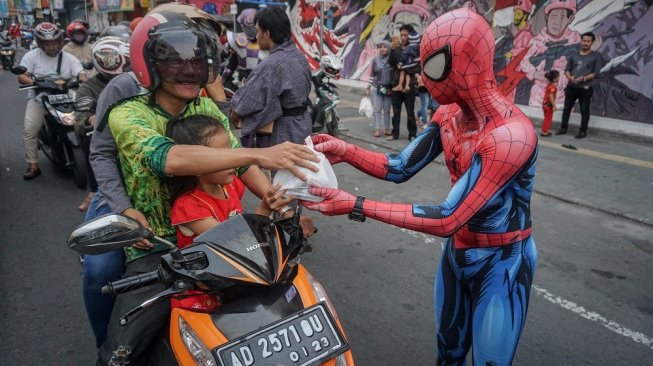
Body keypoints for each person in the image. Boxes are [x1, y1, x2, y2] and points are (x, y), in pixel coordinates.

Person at [303, 8, 538, 365]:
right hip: (458, 253)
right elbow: (400, 167)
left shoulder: (510, 135)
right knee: (448, 353)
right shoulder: (449, 116)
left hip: (503, 262)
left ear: (464, 62)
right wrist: (346, 150)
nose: (425, 80)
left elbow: (448, 216)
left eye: (433, 66)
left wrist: (354, 204)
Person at [97, 9, 317, 364]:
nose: (188, 71)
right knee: (122, 347)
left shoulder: (207, 108)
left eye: (196, 61)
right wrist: (263, 154)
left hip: (222, 243)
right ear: (148, 63)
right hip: (158, 246)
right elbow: (168, 159)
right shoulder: (128, 113)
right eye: (174, 62)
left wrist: (283, 207)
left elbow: (241, 164)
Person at [167, 115, 295, 248]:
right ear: (198, 165)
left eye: (230, 153)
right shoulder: (189, 206)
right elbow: (233, 243)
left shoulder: (231, 185)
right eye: (223, 157)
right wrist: (264, 209)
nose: (233, 161)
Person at [231, 6, 312, 148]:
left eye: (257, 31)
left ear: (267, 33)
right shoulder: (299, 55)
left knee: (283, 168)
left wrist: (235, 114)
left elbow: (247, 100)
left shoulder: (271, 64)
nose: (256, 36)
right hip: (303, 123)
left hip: (285, 132)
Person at [17, 22, 84, 180]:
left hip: (66, 96)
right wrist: (35, 83)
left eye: (54, 42)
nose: (52, 47)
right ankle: (33, 164)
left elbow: (80, 73)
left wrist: (82, 79)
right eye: (47, 44)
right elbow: (22, 76)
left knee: (85, 122)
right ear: (40, 43)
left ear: (60, 41)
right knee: (30, 129)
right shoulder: (31, 56)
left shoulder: (69, 58)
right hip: (40, 98)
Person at [74, 36, 131, 211]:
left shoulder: (137, 79)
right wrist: (91, 119)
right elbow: (81, 118)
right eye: (107, 58)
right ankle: (94, 189)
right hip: (109, 136)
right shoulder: (88, 87)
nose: (110, 61)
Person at [557, 32, 601, 139]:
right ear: (581, 41)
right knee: (567, 109)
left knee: (584, 110)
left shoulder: (596, 56)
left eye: (588, 41)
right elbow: (567, 70)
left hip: (585, 89)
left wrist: (584, 78)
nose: (585, 43)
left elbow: (596, 73)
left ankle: (582, 131)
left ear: (592, 42)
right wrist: (570, 77)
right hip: (571, 87)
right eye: (584, 41)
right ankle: (563, 128)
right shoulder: (573, 55)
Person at [387, 24, 418, 142]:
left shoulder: (414, 48)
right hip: (396, 84)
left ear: (410, 36)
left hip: (409, 86)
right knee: (396, 112)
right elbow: (391, 63)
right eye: (402, 35)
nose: (403, 37)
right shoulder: (397, 47)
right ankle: (395, 134)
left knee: (410, 112)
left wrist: (405, 68)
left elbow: (417, 66)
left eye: (405, 35)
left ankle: (412, 134)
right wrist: (392, 50)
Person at [366, 40, 394, 138]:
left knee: (387, 110)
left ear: (388, 48)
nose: (382, 49)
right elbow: (372, 74)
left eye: (385, 46)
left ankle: (387, 128)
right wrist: (368, 87)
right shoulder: (375, 60)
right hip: (376, 88)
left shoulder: (392, 60)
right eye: (380, 47)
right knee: (377, 109)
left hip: (389, 89)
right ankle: (377, 129)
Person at [541, 70, 559, 136]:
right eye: (558, 77)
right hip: (549, 105)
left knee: (546, 118)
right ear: (554, 79)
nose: (559, 78)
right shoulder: (553, 87)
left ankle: (544, 130)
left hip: (545, 104)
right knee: (548, 119)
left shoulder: (549, 85)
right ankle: (545, 132)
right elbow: (551, 97)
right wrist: (554, 105)